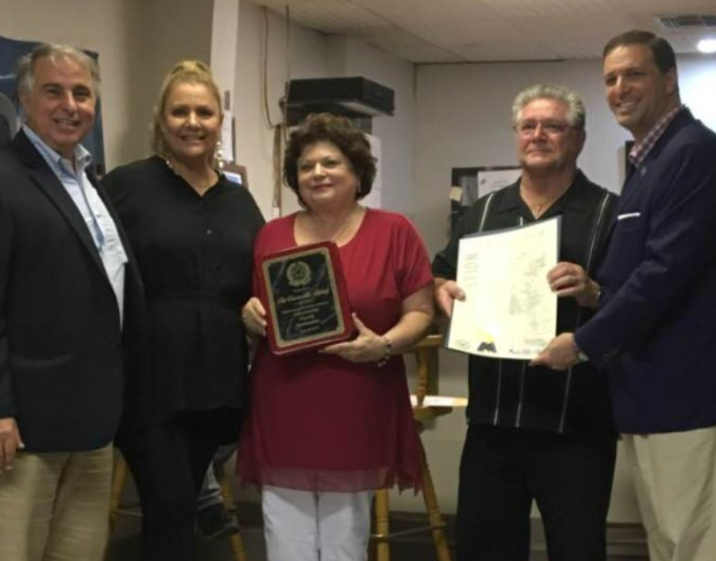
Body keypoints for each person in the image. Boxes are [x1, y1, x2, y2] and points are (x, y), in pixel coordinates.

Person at [533, 30, 716, 561]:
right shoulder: (648, 160)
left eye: (633, 74)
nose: (619, 88)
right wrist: (595, 294)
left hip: (684, 392)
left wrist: (583, 342)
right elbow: (641, 270)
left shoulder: (693, 153)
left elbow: (666, 272)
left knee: (691, 541)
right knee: (667, 539)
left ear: (669, 78)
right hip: (647, 392)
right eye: (610, 79)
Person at [433, 83, 619, 561]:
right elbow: (440, 273)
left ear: (577, 139)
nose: (538, 135)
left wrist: (594, 292)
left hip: (575, 424)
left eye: (553, 126)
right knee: (484, 549)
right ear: (516, 136)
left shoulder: (609, 213)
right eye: (528, 126)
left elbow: (637, 306)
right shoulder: (483, 213)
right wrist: (443, 293)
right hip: (493, 421)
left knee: (577, 550)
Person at [239, 112, 434, 561]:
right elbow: (259, 310)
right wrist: (248, 314)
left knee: (345, 539)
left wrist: (382, 344)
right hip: (284, 401)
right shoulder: (270, 235)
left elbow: (420, 313)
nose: (318, 173)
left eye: (331, 163)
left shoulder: (394, 231)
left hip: (357, 399)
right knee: (283, 536)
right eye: (306, 166)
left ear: (357, 171)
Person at [102, 60, 264, 561]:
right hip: (150, 378)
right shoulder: (126, 185)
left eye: (204, 111)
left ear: (219, 121)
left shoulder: (240, 202)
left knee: (181, 507)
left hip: (217, 381)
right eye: (180, 111)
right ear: (161, 120)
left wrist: (257, 306)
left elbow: (260, 278)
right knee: (169, 506)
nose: (192, 122)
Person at [0, 43, 142, 561]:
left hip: (92, 421)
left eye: (82, 93)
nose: (70, 105)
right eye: (53, 91)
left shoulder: (89, 181)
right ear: (23, 98)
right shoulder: (7, 180)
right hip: (24, 431)